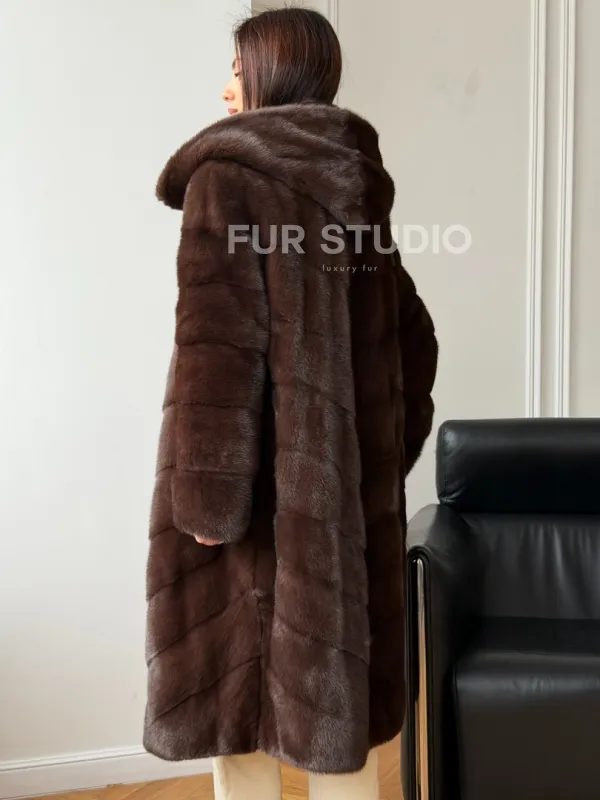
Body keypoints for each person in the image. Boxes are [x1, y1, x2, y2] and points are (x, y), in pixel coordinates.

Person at [143, 7, 438, 800]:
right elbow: (412, 336)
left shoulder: (226, 179)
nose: (226, 90)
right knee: (334, 713)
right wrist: (378, 455)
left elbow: (218, 349)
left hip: (252, 505)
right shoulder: (354, 183)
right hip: (341, 505)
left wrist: (208, 498)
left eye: (238, 72)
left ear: (274, 75)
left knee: (239, 710)